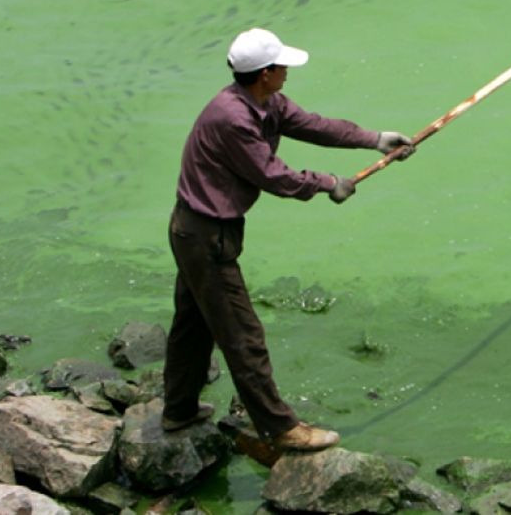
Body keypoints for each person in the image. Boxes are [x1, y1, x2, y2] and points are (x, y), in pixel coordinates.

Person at [161, 27, 415, 451]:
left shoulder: (264, 101)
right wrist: (328, 182)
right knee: (243, 337)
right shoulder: (233, 119)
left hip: (197, 230)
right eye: (282, 66)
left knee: (193, 327)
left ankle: (178, 411)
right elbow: (271, 174)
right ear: (263, 73)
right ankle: (280, 429)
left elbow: (314, 125)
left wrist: (373, 139)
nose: (287, 72)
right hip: (205, 237)